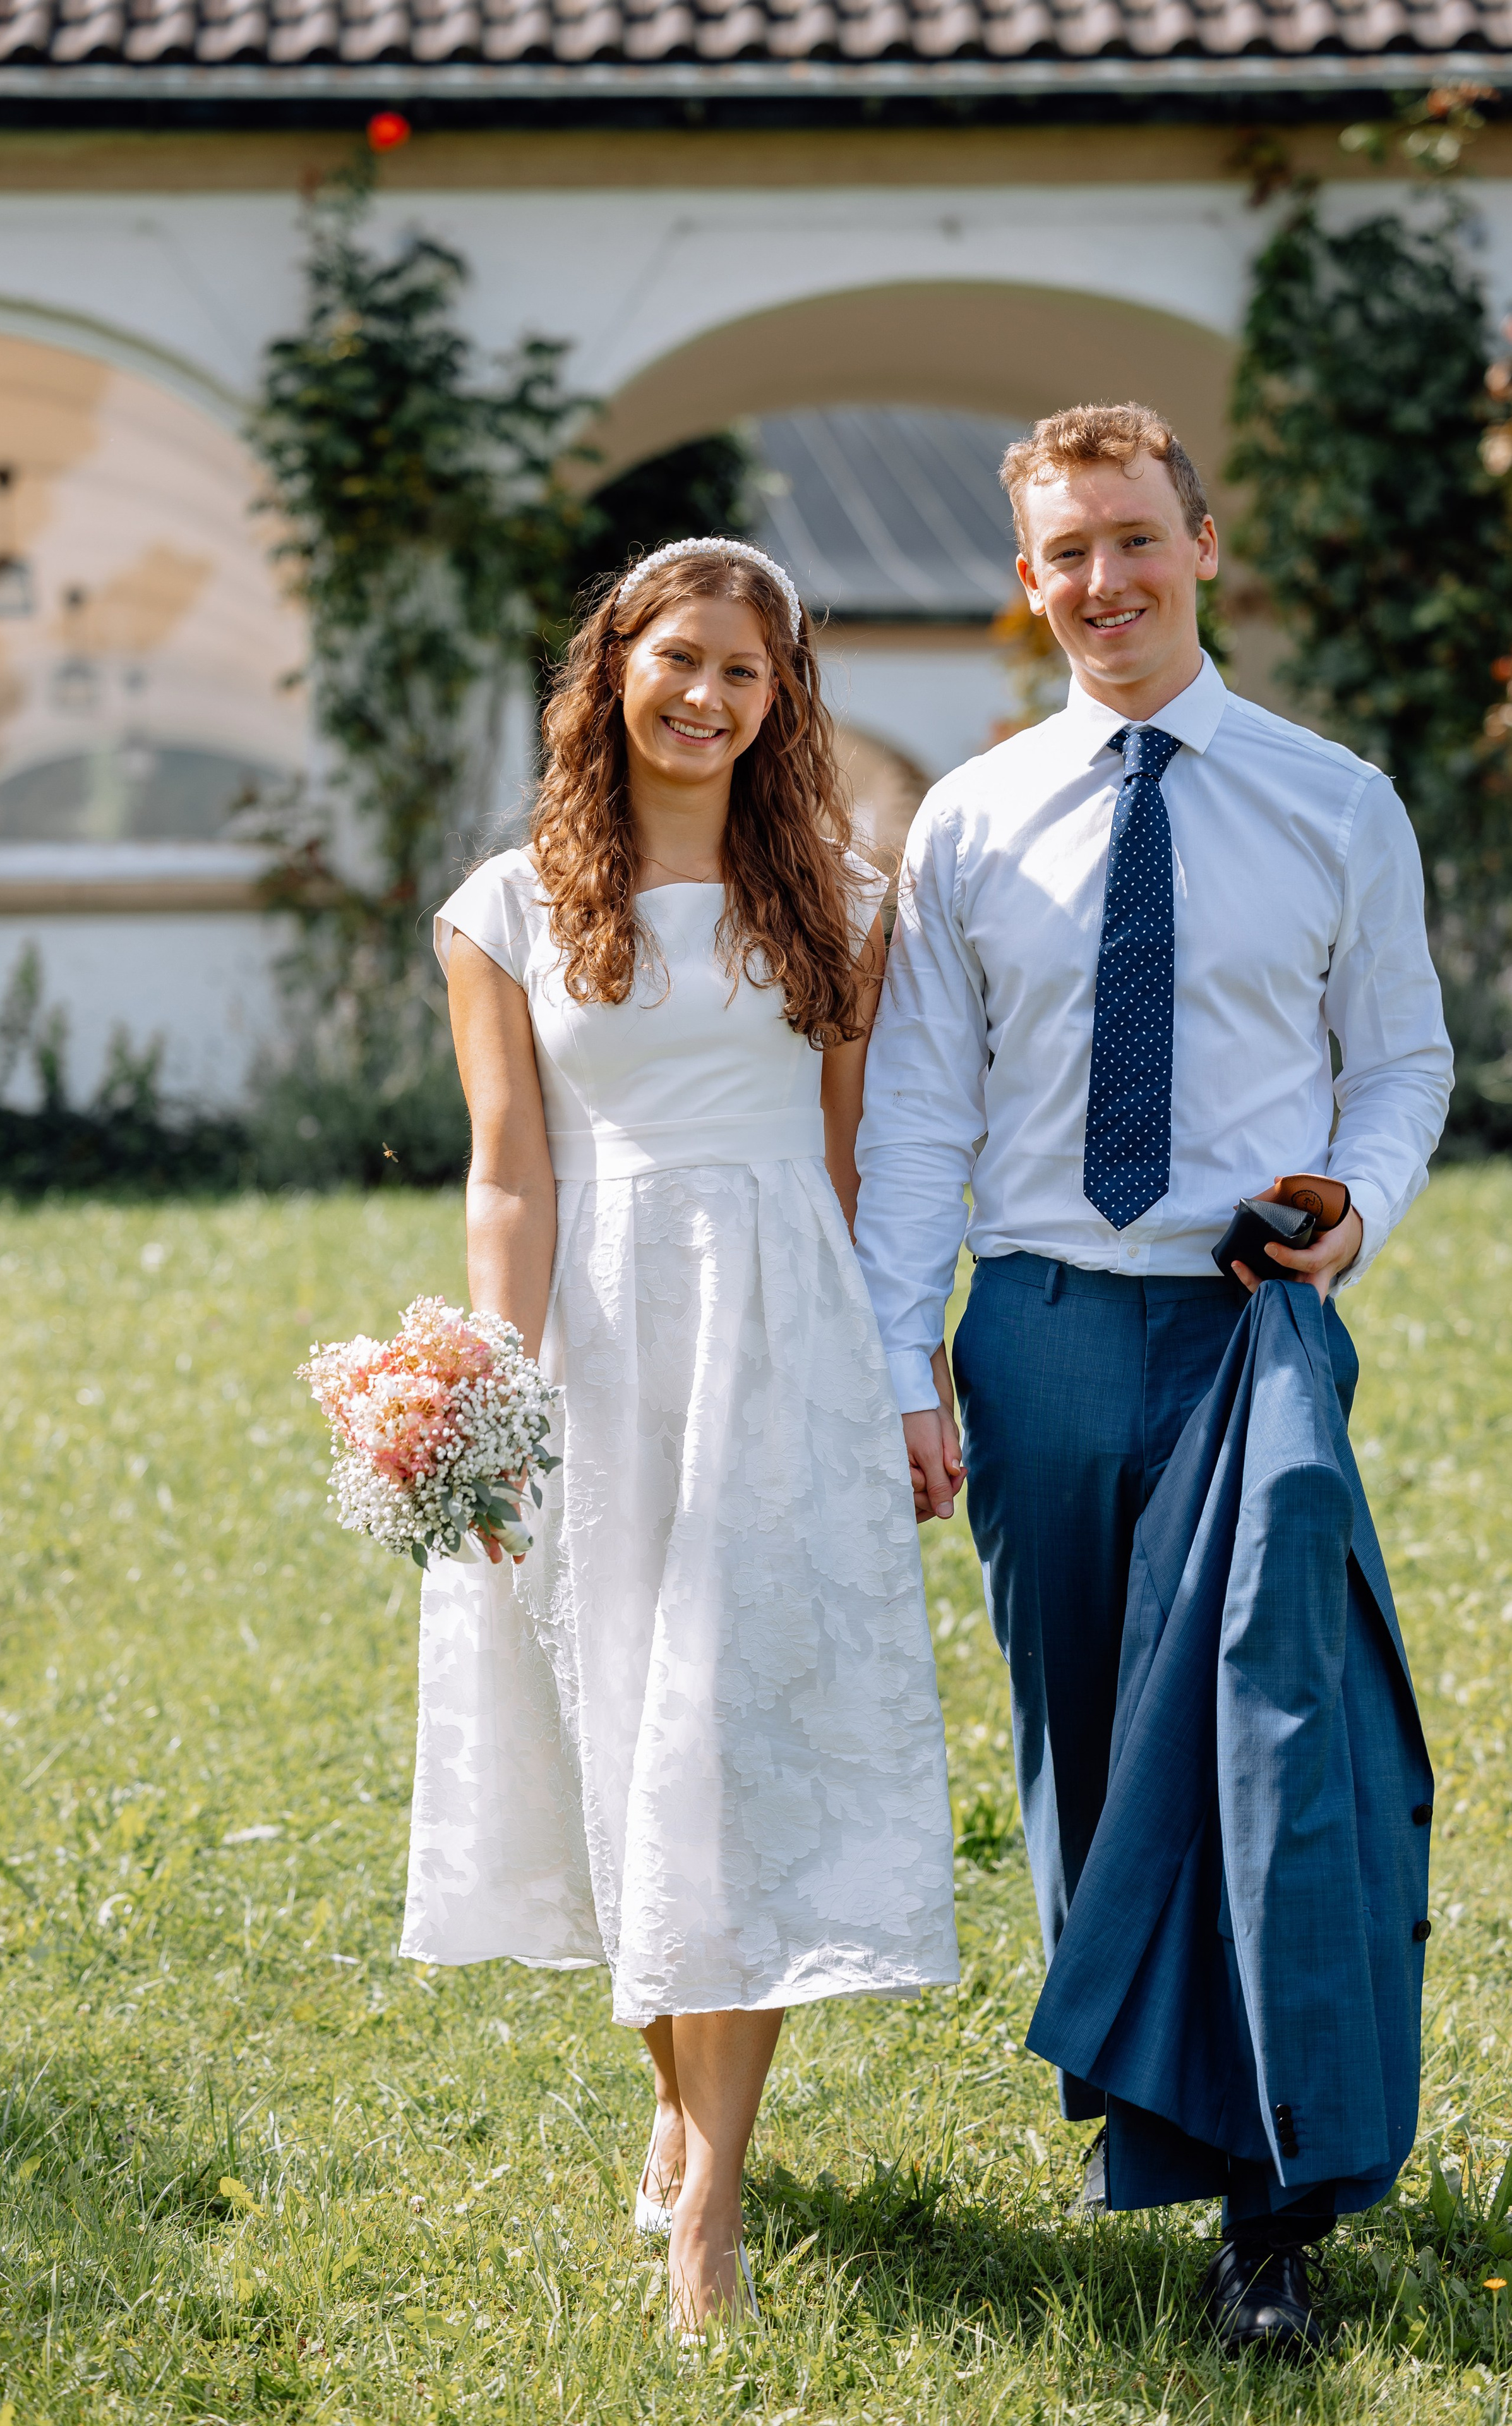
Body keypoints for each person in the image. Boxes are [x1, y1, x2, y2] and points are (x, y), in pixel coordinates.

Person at [851, 402, 1453, 2351]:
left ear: (1202, 546)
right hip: (1035, 1331)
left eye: (1131, 539)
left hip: (1247, 1325)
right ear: (1025, 586)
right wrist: (904, 1366)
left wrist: (1348, 1206)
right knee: (1098, 1754)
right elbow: (927, 1109)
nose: (1100, 581)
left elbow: (1405, 1065)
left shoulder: (1334, 801)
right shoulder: (972, 816)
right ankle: (1166, 2116)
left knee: (1279, 1746)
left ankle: (1277, 2212)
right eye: (1062, 555)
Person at [402, 536, 959, 2335]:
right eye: (680, 659)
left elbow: (867, 1168)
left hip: (782, 1333)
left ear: (780, 695)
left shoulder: (842, 905)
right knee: (630, 1738)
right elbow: (509, 1168)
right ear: (616, 668)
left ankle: (711, 2205)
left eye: (747, 668)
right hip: (599, 1342)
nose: (708, 695)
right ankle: (675, 2093)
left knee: (739, 1735)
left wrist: (907, 1373)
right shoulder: (507, 908)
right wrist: (492, 1387)